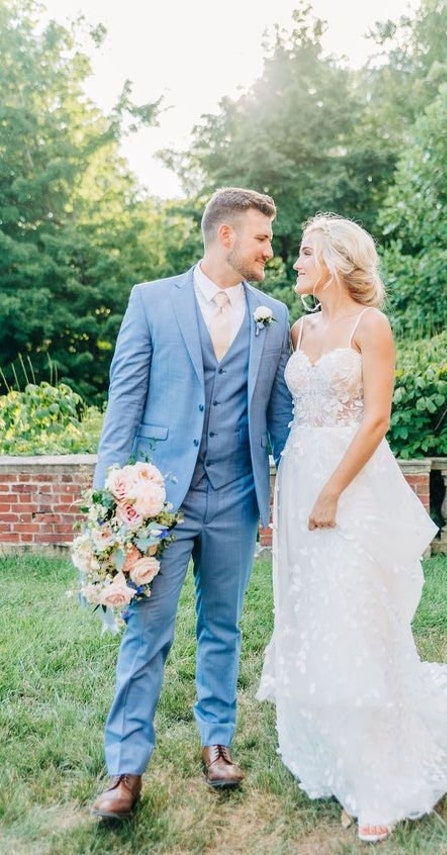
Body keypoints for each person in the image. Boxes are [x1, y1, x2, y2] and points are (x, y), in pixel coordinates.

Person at [256, 213, 447, 844]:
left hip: (351, 480)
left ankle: (379, 780)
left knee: (360, 614)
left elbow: (376, 419)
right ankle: (330, 746)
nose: (295, 262)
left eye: (307, 252)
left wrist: (333, 490)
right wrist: (295, 488)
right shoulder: (297, 328)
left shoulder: (372, 327)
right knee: (314, 612)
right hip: (299, 477)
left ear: (338, 260)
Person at [90, 187, 293, 819]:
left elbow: (282, 420)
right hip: (160, 502)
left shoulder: (274, 314)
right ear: (226, 236)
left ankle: (217, 743)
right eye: (261, 238)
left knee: (223, 628)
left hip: (237, 498)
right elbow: (123, 406)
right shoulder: (152, 301)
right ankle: (126, 769)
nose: (270, 250)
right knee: (146, 634)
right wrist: (110, 509)